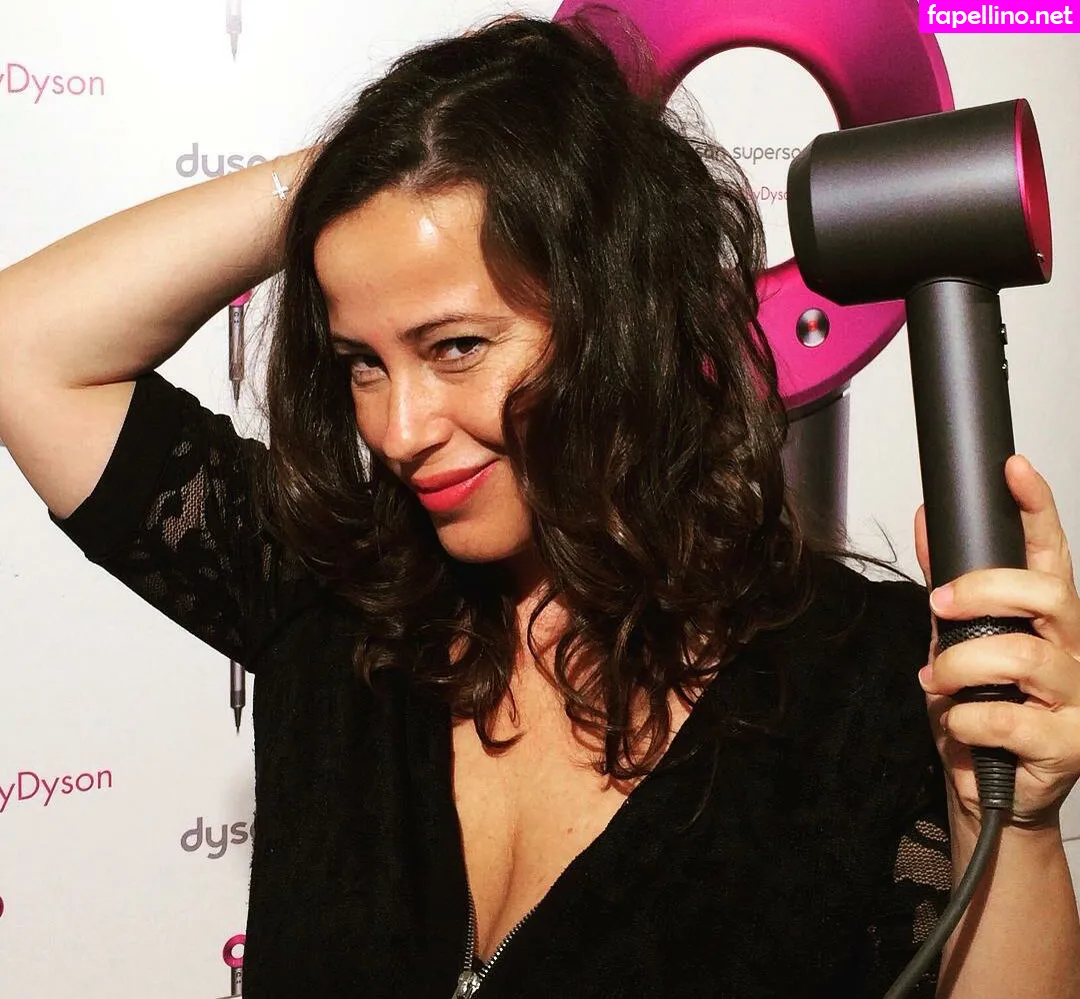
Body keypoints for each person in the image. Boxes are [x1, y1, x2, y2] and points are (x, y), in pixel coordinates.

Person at [1, 12, 1078, 999]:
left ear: (619, 318)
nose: (399, 428)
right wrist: (369, 168)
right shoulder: (333, 599)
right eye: (362, 362)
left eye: (455, 347)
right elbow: (25, 348)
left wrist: (1014, 825)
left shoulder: (875, 686)